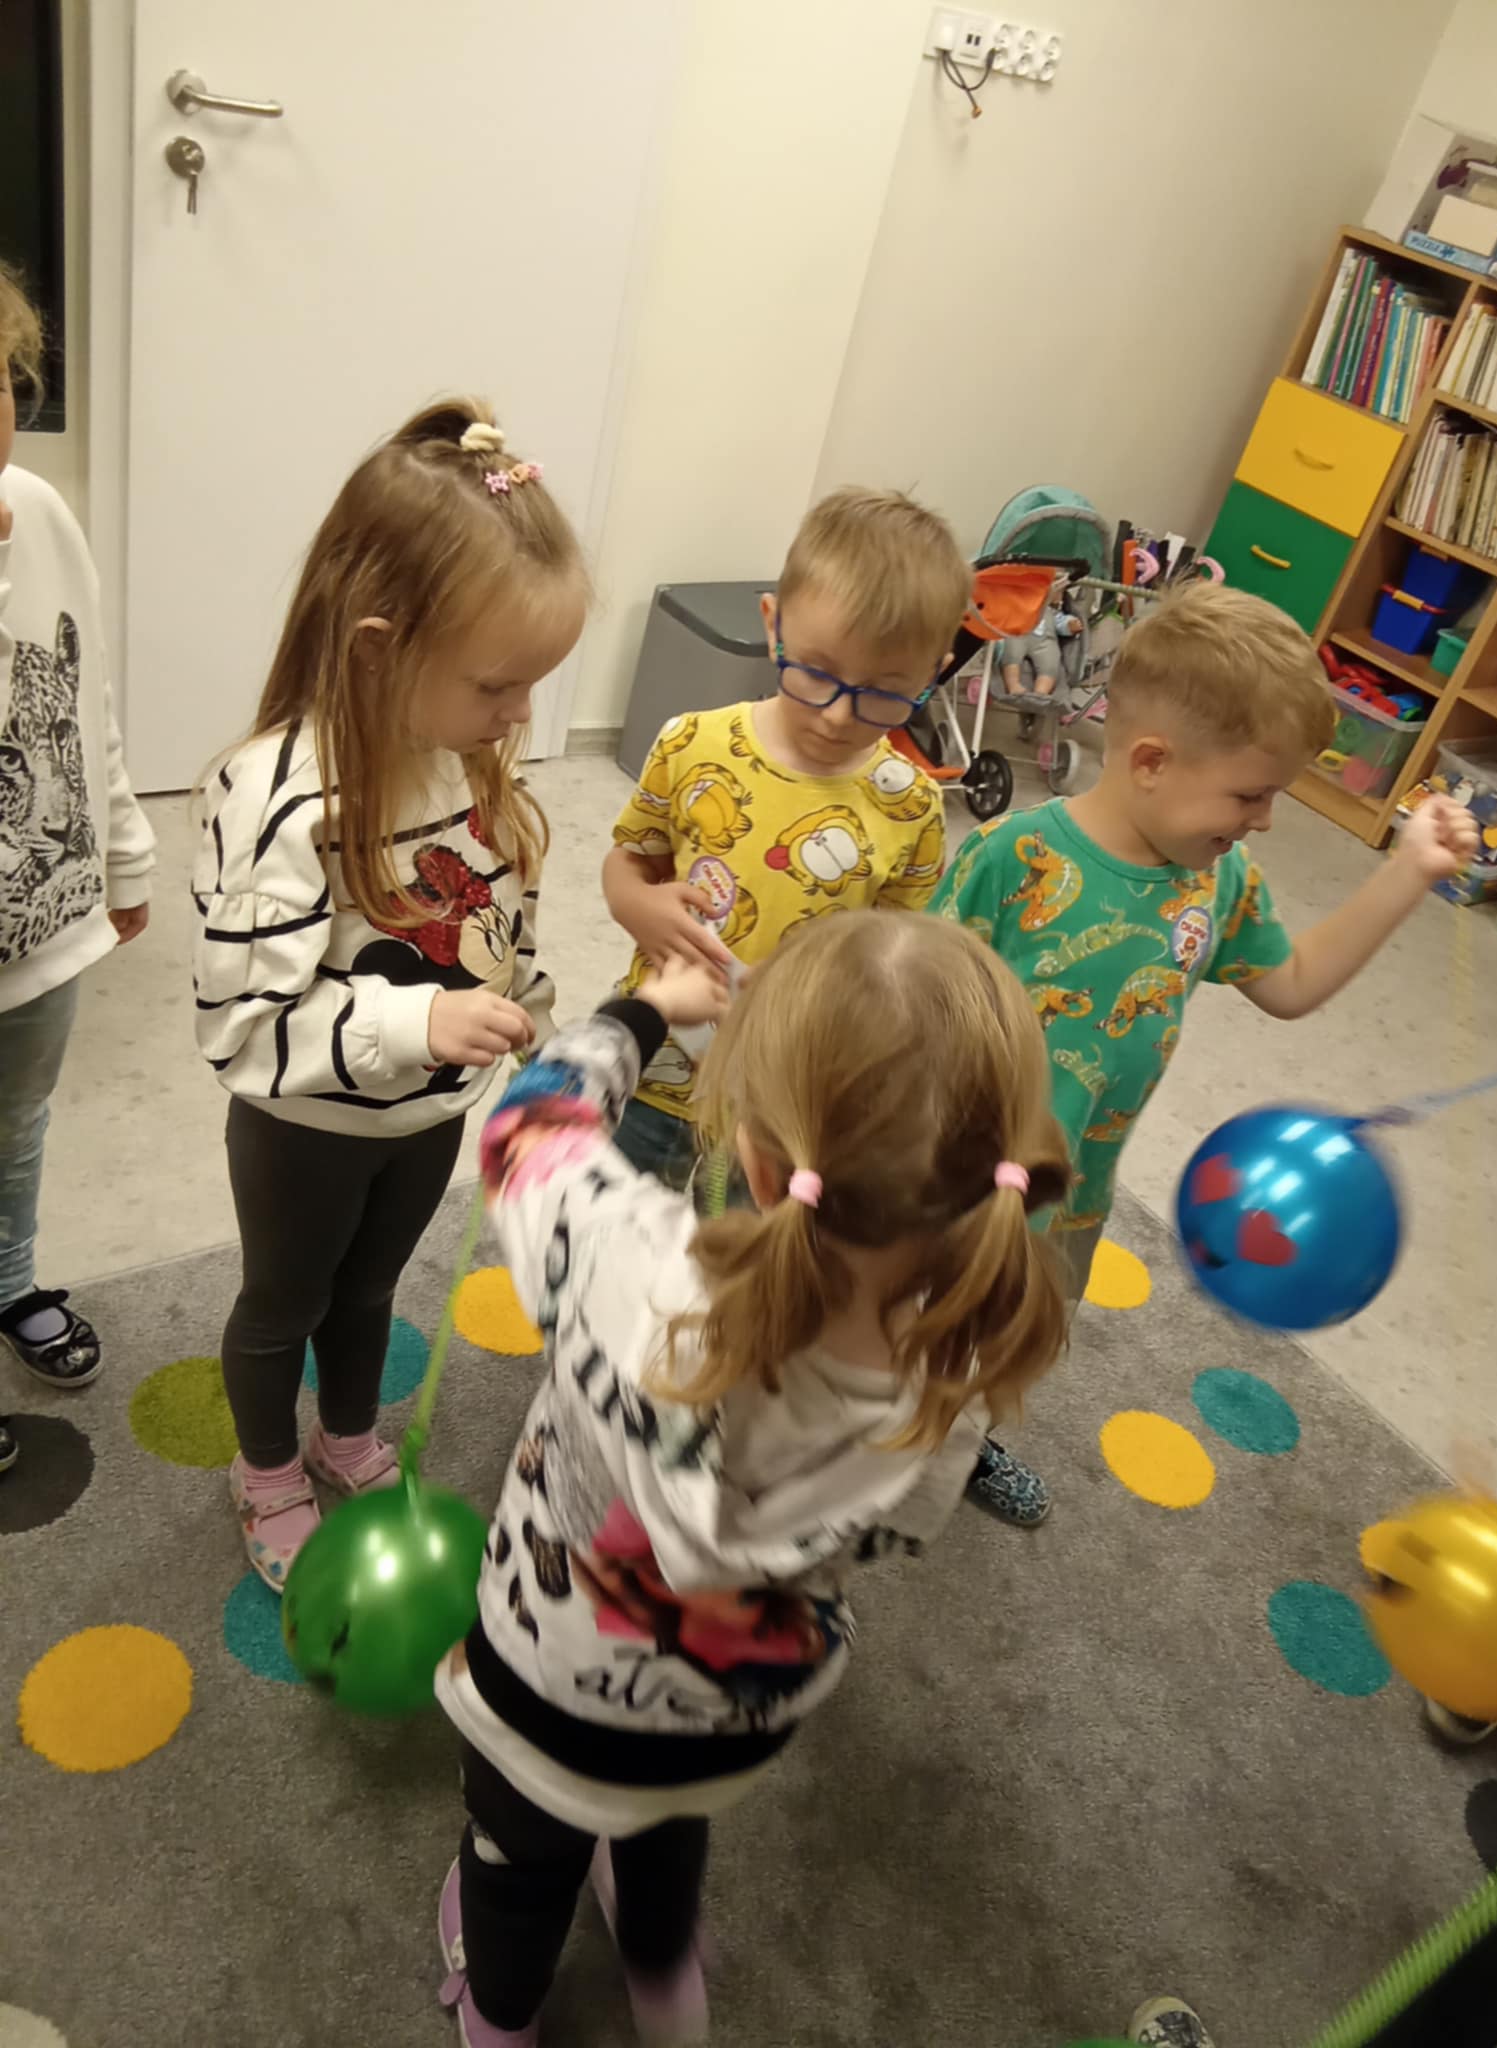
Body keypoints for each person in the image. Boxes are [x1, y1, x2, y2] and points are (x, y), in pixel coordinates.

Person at [433, 911, 1070, 2046]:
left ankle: (498, 2016)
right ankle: (663, 1972)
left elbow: (529, 1126)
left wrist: (643, 1013)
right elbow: (901, 1528)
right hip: (737, 1704)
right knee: (668, 1822)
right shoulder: (967, 1355)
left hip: (545, 1680)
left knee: (514, 1857)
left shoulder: (637, 1264)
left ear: (764, 1165)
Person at [934, 581, 1481, 1524]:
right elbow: (908, 1006)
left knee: (1018, 1340)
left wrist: (1408, 872)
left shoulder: (1220, 880)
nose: (1264, 819)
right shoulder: (1009, 858)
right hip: (953, 1188)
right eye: (1250, 793)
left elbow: (1294, 983)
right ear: (1151, 760)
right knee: (916, 1333)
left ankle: (961, 1440)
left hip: (1075, 1194)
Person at [192, 401, 586, 1587]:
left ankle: (346, 1434)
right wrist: (419, 1021)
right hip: (305, 1130)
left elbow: (498, 923)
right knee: (283, 1304)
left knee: (369, 1290)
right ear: (377, 649)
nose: (522, 715)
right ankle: (266, 1467)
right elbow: (244, 1028)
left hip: (425, 1119)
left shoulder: (469, 761)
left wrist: (541, 1026)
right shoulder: (284, 797)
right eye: (499, 683)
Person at [600, 486, 960, 1196]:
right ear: (774, 625)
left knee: (747, 1254)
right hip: (657, 1062)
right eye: (817, 673)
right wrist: (635, 906)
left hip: (783, 1098)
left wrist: (825, 992)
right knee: (607, 1227)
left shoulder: (913, 806)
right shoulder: (692, 743)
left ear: (934, 674)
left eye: (883, 693)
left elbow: (900, 963)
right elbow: (630, 860)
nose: (837, 716)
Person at [0, 261, 156, 1477]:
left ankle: (10, 1277)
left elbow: (83, 692)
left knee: (18, 1117)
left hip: (39, 920)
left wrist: (123, 845)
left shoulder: (42, 514)